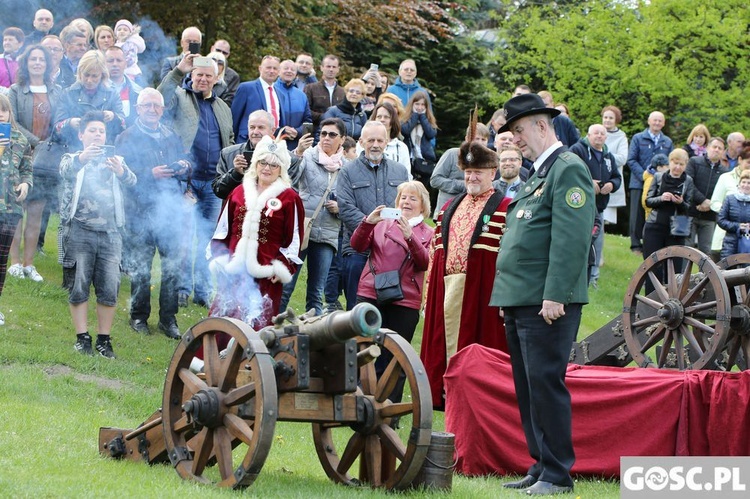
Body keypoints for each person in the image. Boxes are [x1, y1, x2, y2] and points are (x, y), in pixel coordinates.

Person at [490, 93, 596, 495]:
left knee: (546, 383)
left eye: (518, 130)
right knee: (528, 385)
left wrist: (556, 294)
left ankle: (557, 474)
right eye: (512, 132)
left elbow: (570, 239)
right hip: (522, 299)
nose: (515, 139)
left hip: (547, 302)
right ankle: (540, 465)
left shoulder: (567, 168)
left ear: (541, 125)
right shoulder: (539, 174)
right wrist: (511, 298)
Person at [421, 137, 512, 410]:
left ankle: (474, 397)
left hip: (481, 291)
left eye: (478, 172)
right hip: (445, 287)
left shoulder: (506, 207)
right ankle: (442, 393)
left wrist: (506, 297)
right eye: (468, 172)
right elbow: (434, 255)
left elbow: (510, 258)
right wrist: (428, 292)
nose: (472, 177)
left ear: (492, 173)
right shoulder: (449, 207)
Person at [158, 53, 234, 308]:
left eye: (207, 75)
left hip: (214, 184)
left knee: (208, 240)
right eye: (198, 74)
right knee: (183, 236)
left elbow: (229, 141)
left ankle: (202, 290)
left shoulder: (222, 107)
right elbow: (161, 94)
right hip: (186, 182)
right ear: (192, 76)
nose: (202, 79)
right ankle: (181, 289)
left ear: (216, 79)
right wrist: (179, 71)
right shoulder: (179, 97)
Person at [59, 111, 137, 359]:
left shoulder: (116, 159)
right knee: (79, 285)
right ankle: (82, 338)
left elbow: (133, 182)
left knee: (109, 288)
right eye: (92, 130)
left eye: (101, 131)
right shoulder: (72, 158)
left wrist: (122, 172)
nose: (97, 135)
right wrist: (82, 158)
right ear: (81, 134)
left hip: (111, 233)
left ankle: (104, 340)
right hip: (80, 230)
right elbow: (65, 171)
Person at [115, 88, 190, 339]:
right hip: (139, 210)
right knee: (141, 268)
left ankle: (168, 319)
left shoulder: (171, 135)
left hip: (169, 210)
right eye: (147, 105)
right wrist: (150, 173)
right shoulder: (126, 137)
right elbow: (121, 174)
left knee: (171, 267)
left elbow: (186, 165)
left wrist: (183, 166)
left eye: (156, 105)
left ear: (162, 109)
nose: (152, 109)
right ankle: (138, 316)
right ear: (138, 108)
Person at [208, 134, 304, 329]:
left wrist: (283, 267)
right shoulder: (238, 192)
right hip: (233, 270)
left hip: (266, 274)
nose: (267, 168)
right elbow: (222, 229)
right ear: (255, 164)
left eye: (273, 165)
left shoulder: (290, 198)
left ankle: (249, 360)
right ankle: (213, 359)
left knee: (256, 323)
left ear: (281, 169)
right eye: (262, 162)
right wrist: (219, 257)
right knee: (223, 319)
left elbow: (294, 239)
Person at [352, 180, 433, 402]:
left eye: (412, 198)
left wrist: (410, 236)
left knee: (397, 355)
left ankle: (390, 406)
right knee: (363, 347)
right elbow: (357, 246)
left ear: (423, 206)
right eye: (403, 198)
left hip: (404, 299)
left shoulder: (429, 232)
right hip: (371, 292)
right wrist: (367, 222)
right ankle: (358, 400)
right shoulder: (381, 223)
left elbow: (425, 263)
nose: (406, 202)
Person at [337, 121, 409, 310]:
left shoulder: (400, 171)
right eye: (370, 140)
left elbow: (407, 206)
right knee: (357, 310)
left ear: (387, 142)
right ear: (361, 141)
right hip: (357, 252)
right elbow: (346, 209)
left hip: (390, 252)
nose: (375, 144)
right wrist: (374, 231)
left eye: (379, 140)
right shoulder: (347, 171)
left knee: (389, 309)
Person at [279, 118, 345, 315]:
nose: (326, 138)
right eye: (323, 133)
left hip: (328, 233)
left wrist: (339, 208)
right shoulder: (306, 155)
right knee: (286, 285)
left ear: (342, 139)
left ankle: (312, 337)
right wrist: (297, 153)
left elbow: (351, 201)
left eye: (332, 134)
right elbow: (287, 180)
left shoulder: (347, 166)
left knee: (316, 291)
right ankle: (269, 328)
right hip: (301, 229)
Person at [6, 45, 61, 282]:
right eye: (33, 59)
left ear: (47, 64)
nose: (37, 62)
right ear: (26, 63)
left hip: (46, 161)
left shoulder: (56, 91)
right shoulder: (16, 91)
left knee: (36, 213)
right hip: (20, 156)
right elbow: (13, 121)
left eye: (41, 59)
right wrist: (36, 141)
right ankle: (15, 262)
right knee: (17, 212)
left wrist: (48, 144)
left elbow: (60, 121)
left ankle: (29, 263)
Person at [569, 124, 621, 287]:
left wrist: (612, 185)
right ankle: (576, 277)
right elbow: (570, 171)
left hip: (599, 208)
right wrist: (588, 183)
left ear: (606, 137)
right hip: (579, 208)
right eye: (596, 133)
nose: (599, 136)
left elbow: (617, 177)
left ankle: (594, 279)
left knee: (597, 244)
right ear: (589, 135)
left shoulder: (608, 156)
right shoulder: (577, 150)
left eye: (602, 134)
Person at [0, 93, 33, 325]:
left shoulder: (21, 139)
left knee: (1, 261)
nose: (0, 115)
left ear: (10, 113)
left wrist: (25, 183)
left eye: (3, 110)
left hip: (10, 208)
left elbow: (26, 168)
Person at [54, 50, 125, 151]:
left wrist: (114, 116)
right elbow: (57, 127)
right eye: (86, 75)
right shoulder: (68, 93)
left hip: (104, 150)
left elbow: (124, 124)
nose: (89, 80)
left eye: (94, 76)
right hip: (74, 149)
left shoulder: (112, 94)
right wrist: (70, 122)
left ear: (102, 75)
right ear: (79, 73)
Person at [642, 149, 695, 287]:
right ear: (670, 162)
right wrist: (662, 198)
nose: (677, 167)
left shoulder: (688, 181)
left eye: (681, 164)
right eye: (675, 163)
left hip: (678, 227)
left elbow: (689, 207)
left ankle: (671, 298)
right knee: (653, 265)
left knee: (674, 268)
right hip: (656, 225)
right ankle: (650, 299)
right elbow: (648, 201)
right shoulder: (658, 177)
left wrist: (680, 202)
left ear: (685, 165)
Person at [627, 111, 673, 255]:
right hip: (639, 181)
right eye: (655, 120)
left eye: (660, 121)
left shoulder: (667, 142)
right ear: (649, 121)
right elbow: (631, 160)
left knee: (653, 212)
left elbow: (669, 162)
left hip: (659, 183)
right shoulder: (638, 138)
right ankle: (635, 244)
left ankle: (650, 240)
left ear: (663, 123)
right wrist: (643, 175)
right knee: (636, 214)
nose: (657, 123)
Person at [686, 137, 727, 255]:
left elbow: (723, 194)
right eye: (714, 147)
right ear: (708, 148)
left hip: (710, 216)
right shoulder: (694, 162)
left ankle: (704, 275)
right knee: (686, 249)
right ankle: (682, 274)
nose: (717, 150)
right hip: (690, 212)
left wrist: (710, 204)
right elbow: (688, 183)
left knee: (706, 252)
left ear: (723, 152)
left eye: (720, 148)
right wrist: (702, 200)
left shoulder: (725, 172)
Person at [710, 141, 750, 258]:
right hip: (725, 235)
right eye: (748, 162)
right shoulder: (725, 178)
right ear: (740, 160)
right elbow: (714, 203)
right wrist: (728, 208)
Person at [232, 55, 283, 143]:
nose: (271, 71)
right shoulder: (246, 88)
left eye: (275, 68)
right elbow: (234, 118)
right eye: (268, 67)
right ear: (260, 69)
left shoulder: (280, 93)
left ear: (279, 72)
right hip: (247, 142)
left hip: (272, 143)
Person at [356, 101, 410, 171]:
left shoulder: (401, 148)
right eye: (379, 116)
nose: (382, 120)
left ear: (393, 121)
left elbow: (406, 174)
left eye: (386, 117)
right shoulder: (363, 144)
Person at [275, 59, 313, 151]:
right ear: (279, 71)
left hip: (296, 146)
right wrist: (282, 131)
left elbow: (308, 121)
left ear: (296, 73)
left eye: (292, 69)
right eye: (286, 68)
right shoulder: (271, 91)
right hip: (275, 143)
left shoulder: (302, 95)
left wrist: (297, 131)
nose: (289, 71)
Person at [601, 105, 628, 225]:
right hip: (596, 178)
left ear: (616, 120)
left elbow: (622, 159)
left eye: (611, 118)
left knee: (606, 220)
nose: (607, 120)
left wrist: (604, 155)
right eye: (605, 117)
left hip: (612, 178)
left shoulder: (621, 137)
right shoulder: (596, 132)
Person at [303, 55, 345, 132]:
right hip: (316, 131)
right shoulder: (310, 88)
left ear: (338, 69)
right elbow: (305, 111)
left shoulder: (342, 92)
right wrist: (324, 117)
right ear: (321, 68)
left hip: (337, 133)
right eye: (328, 66)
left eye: (334, 67)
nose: (331, 69)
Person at [104, 46, 142, 127]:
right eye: (110, 61)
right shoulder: (94, 89)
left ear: (125, 64)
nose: (115, 64)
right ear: (104, 64)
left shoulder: (138, 91)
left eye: (119, 60)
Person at [717, 169, 750, 259]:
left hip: (748, 244)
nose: (746, 185)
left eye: (749, 183)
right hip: (730, 243)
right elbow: (721, 220)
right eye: (743, 182)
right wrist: (738, 226)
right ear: (739, 184)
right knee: (727, 270)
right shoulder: (729, 199)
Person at [113, 19, 146, 83]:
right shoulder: (116, 44)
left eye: (125, 30)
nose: (122, 31)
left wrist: (120, 66)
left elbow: (130, 58)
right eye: (119, 29)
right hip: (121, 73)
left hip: (131, 72)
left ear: (130, 32)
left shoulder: (131, 43)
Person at [209, 40, 239, 107]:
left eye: (224, 53)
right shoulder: (196, 67)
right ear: (212, 49)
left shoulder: (233, 76)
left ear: (228, 55)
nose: (221, 53)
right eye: (218, 50)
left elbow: (229, 101)